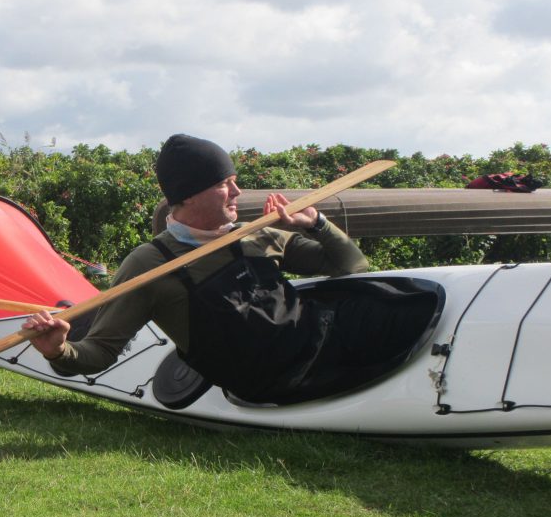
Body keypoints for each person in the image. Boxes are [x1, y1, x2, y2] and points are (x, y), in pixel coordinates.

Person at [23, 133, 412, 406]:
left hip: (321, 343)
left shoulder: (255, 236)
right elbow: (100, 352)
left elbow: (352, 267)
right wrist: (59, 350)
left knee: (401, 300)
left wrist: (315, 225)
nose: (238, 193)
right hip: (273, 379)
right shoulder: (150, 264)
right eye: (226, 184)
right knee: (398, 314)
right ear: (190, 194)